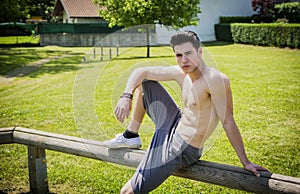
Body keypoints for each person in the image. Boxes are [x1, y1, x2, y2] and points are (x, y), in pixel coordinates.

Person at [103, 31, 269, 194]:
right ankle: (131, 135)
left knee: (127, 192)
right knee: (145, 80)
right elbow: (141, 72)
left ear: (200, 51)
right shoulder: (181, 73)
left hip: (181, 148)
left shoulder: (215, 80)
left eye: (188, 53)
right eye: (178, 55)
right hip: (174, 124)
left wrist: (245, 161)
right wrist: (126, 95)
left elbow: (228, 120)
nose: (184, 60)